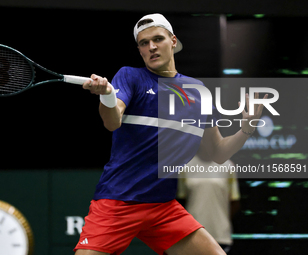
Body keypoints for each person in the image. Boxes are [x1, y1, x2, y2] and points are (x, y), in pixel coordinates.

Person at [74, 13, 266, 255]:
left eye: (158, 39)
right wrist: (107, 96)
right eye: (144, 43)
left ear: (173, 41)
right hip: (118, 202)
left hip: (162, 207)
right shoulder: (130, 76)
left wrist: (246, 129)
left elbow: (218, 152)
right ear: (140, 50)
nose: (152, 47)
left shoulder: (198, 92)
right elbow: (112, 122)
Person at [178, 150, 241, 254]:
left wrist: (221, 221)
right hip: (193, 236)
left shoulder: (228, 165)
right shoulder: (186, 167)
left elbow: (234, 202)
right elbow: (181, 201)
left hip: (220, 235)